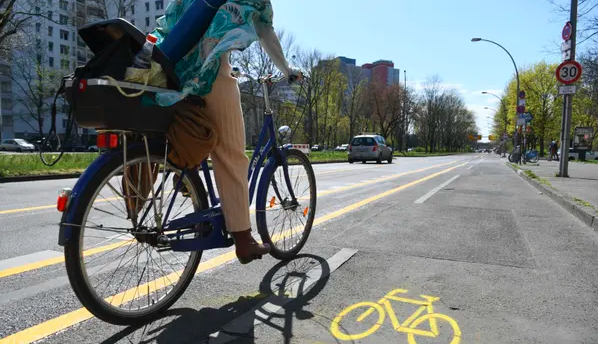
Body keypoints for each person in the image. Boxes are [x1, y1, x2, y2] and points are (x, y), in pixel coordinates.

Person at [126, 0, 301, 264]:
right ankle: (243, 239)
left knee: (191, 125)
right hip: (209, 66)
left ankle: (188, 173)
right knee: (231, 154)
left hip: (165, 66)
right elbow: (264, 30)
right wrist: (287, 71)